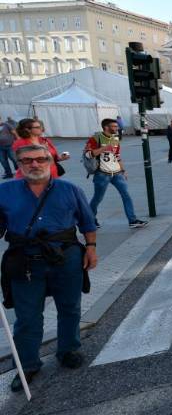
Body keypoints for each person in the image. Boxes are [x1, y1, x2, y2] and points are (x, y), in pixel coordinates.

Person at [0, 144, 98, 392]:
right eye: (27, 160)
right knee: (27, 316)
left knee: (70, 307)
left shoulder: (70, 189)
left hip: (66, 257)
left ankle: (68, 350)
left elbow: (87, 221)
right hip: (24, 260)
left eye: (40, 159)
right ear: (19, 164)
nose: (35, 164)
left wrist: (91, 248)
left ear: (50, 161)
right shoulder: (5, 192)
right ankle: (27, 364)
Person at [85, 118, 148, 229]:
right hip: (102, 174)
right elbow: (88, 155)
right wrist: (104, 148)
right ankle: (90, 220)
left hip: (116, 173)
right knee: (97, 198)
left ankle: (132, 220)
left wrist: (123, 170)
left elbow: (117, 156)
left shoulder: (115, 138)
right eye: (114, 126)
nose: (117, 128)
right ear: (106, 127)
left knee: (126, 195)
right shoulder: (95, 138)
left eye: (117, 126)